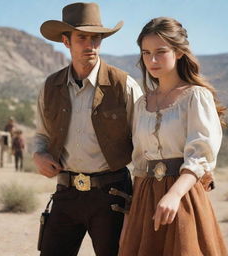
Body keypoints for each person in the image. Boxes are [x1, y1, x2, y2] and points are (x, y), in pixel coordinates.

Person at [33, 2, 142, 256]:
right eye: (82, 37)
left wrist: (140, 200)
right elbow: (41, 135)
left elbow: (143, 144)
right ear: (66, 41)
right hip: (66, 191)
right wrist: (39, 154)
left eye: (96, 38)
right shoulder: (50, 86)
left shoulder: (123, 85)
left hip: (113, 194)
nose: (90, 45)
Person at [119, 17, 228, 256]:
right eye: (146, 53)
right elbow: (139, 163)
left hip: (183, 195)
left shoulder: (195, 97)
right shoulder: (141, 104)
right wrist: (131, 216)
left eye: (161, 52)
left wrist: (174, 194)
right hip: (145, 198)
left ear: (178, 52)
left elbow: (201, 154)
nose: (152, 60)